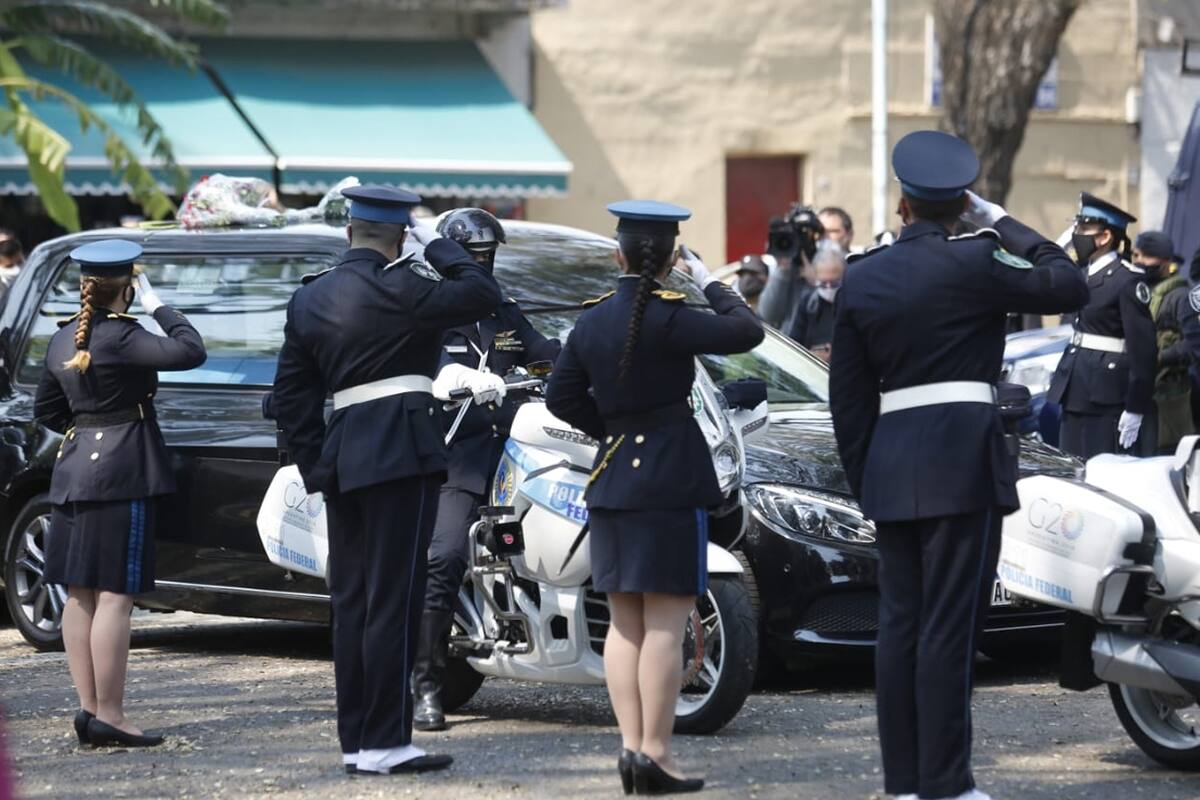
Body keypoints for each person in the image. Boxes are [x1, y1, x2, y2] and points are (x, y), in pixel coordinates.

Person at [830, 130, 1088, 800]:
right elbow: (1068, 281)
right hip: (959, 463)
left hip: (890, 465)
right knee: (949, 626)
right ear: (959, 207)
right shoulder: (977, 260)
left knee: (900, 628)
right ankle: (946, 781)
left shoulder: (862, 276)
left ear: (903, 205)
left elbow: (849, 401)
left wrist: (867, 481)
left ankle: (903, 782)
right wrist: (1000, 219)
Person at [271, 186, 502, 776]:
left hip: (344, 458)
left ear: (349, 232)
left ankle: (358, 741)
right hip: (402, 454)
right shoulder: (408, 286)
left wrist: (317, 463)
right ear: (400, 237)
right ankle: (386, 743)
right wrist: (440, 247)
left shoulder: (312, 297)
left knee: (351, 601)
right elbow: (482, 292)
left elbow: (293, 398)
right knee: (392, 601)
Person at [546, 200, 763, 795]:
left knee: (625, 625)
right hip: (670, 479)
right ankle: (655, 754)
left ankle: (629, 749)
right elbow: (747, 331)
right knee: (667, 623)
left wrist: (612, 428)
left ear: (617, 254)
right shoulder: (671, 315)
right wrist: (710, 280)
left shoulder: (591, 321)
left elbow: (559, 397)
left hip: (614, 478)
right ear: (672, 260)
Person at [34, 240, 206, 748]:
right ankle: (110, 713)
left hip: (74, 470)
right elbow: (190, 350)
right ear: (126, 288)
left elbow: (47, 410)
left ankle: (89, 710)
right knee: (115, 594)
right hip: (123, 470)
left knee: (80, 592)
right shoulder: (124, 337)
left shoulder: (64, 338)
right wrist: (159, 307)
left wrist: (89, 430)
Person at [412, 208, 561, 732]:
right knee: (446, 555)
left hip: (519, 453)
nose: (482, 263)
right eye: (473, 256)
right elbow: (417, 369)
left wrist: (586, 361)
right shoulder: (427, 311)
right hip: (461, 456)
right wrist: (446, 375)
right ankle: (426, 685)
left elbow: (544, 354)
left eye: (488, 255)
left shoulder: (502, 310)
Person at [1047, 193, 1157, 458]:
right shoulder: (1082, 274)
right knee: (1072, 471)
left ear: (1105, 237)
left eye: (1084, 229)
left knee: (1101, 476)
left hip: (1105, 395)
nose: (1077, 234)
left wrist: (1135, 406)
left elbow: (1144, 351)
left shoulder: (1125, 281)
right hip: (1075, 387)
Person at [1135, 230, 1193, 453]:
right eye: (1137, 255)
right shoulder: (1141, 290)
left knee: (1167, 458)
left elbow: (1194, 345)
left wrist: (1160, 357)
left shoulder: (1180, 296)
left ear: (1165, 262)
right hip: (1143, 390)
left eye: (1147, 257)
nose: (1140, 262)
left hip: (1171, 395)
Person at [786, 240, 845, 362]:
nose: (829, 288)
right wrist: (812, 356)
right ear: (815, 278)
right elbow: (793, 346)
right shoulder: (809, 304)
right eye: (823, 283)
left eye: (834, 283)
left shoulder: (854, 304)